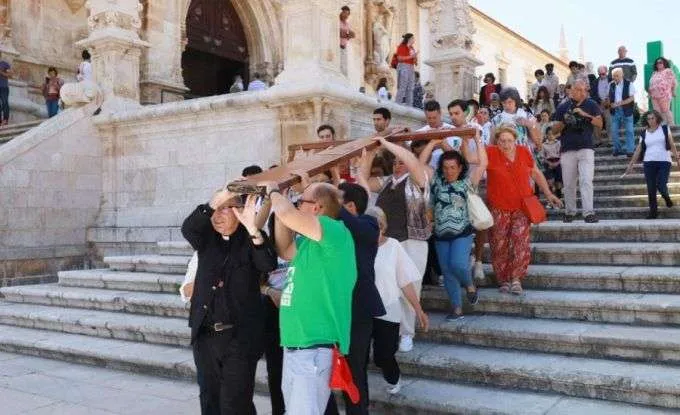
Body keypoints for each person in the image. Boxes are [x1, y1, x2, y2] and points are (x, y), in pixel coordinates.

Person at [265, 181, 357, 415]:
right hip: (298, 344)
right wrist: (280, 206)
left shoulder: (335, 231)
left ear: (316, 207)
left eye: (300, 201)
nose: (296, 205)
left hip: (314, 347)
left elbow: (288, 214)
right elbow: (284, 248)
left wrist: (275, 192)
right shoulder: (308, 242)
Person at [182, 190, 278, 415]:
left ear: (240, 210)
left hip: (240, 338)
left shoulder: (252, 237)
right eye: (215, 209)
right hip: (205, 336)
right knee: (209, 399)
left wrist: (253, 228)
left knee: (235, 403)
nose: (217, 215)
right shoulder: (206, 238)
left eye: (226, 208)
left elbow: (267, 264)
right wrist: (212, 203)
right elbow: (189, 228)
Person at [466, 126, 562, 295]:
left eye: (509, 140)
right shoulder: (490, 152)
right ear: (497, 141)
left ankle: (516, 279)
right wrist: (467, 139)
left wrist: (548, 193)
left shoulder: (524, 151)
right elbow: (468, 157)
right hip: (498, 208)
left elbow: (536, 172)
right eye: (502, 141)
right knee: (499, 244)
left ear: (515, 140)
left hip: (520, 207)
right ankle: (503, 279)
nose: (506, 144)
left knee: (520, 242)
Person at [358, 137, 431, 353]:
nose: (399, 165)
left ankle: (407, 333)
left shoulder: (419, 178)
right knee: (386, 289)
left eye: (402, 161)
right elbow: (361, 179)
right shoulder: (387, 182)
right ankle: (387, 332)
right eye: (395, 162)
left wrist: (385, 142)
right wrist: (369, 151)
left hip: (412, 241)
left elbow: (413, 162)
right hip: (387, 243)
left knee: (410, 287)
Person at [325, 182, 385, 415]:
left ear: (349, 206)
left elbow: (358, 227)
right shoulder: (331, 229)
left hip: (358, 312)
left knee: (355, 371)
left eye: (334, 205)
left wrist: (329, 201)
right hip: (331, 311)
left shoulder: (368, 224)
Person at [365, 206, 429, 394]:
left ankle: (394, 378)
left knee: (383, 356)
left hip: (388, 309)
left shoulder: (393, 246)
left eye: (377, 225)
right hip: (363, 310)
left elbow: (405, 282)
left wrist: (419, 310)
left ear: (383, 226)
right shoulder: (357, 246)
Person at [429, 134, 487, 320]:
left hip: (462, 232)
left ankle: (469, 285)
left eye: (453, 167)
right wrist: (432, 143)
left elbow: (483, 163)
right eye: (445, 167)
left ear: (460, 167)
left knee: (458, 264)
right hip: (440, 233)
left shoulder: (467, 183)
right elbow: (419, 166)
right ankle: (456, 308)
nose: (449, 171)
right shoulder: (436, 182)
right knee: (447, 272)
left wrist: (477, 140)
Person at [552, 79, 603, 223]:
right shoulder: (563, 106)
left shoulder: (591, 104)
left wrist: (584, 114)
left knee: (586, 180)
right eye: (578, 90)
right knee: (568, 183)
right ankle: (570, 212)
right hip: (568, 148)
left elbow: (600, 123)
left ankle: (588, 212)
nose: (582, 93)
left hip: (586, 147)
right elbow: (554, 130)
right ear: (571, 90)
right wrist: (564, 121)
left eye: (584, 90)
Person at [624, 110, 679, 219]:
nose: (650, 121)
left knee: (661, 185)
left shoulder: (664, 128)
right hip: (648, 162)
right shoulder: (644, 133)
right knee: (651, 187)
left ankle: (667, 198)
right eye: (648, 119)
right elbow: (638, 150)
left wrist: (677, 158)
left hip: (664, 161)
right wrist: (630, 165)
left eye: (652, 118)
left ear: (657, 118)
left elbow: (672, 144)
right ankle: (653, 212)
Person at [417, 100, 455, 169]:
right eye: (429, 118)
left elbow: (455, 156)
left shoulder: (452, 130)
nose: (432, 121)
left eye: (434, 117)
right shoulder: (420, 132)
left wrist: (440, 141)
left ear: (440, 113)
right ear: (425, 115)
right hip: (427, 172)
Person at [609, 67, 636, 157]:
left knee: (629, 131)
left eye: (617, 76)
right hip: (615, 111)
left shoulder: (629, 84)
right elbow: (609, 97)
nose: (615, 78)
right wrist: (610, 103)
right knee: (613, 131)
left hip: (626, 109)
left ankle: (630, 150)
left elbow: (632, 98)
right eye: (613, 76)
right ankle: (618, 149)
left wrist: (619, 103)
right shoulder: (611, 85)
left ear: (622, 75)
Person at [648, 57, 677, 126]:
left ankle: (671, 126)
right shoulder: (654, 73)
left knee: (665, 110)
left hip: (664, 94)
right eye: (657, 63)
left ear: (664, 63)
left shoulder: (668, 71)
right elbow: (651, 83)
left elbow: (673, 82)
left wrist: (673, 91)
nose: (659, 64)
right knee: (657, 112)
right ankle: (662, 126)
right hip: (654, 95)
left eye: (660, 62)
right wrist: (649, 93)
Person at [540, 127, 563, 202]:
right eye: (549, 134)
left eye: (553, 134)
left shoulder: (559, 143)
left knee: (558, 182)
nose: (551, 136)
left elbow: (562, 154)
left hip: (558, 162)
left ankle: (559, 198)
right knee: (550, 181)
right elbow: (542, 157)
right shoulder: (544, 145)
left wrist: (557, 162)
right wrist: (549, 162)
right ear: (546, 135)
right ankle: (551, 200)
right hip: (548, 162)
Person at [395, 33, 418, 106]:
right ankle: (397, 104)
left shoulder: (412, 48)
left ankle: (409, 105)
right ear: (409, 39)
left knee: (411, 87)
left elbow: (414, 60)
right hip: (403, 66)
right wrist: (411, 57)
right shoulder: (401, 46)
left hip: (411, 67)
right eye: (413, 38)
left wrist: (415, 58)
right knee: (402, 86)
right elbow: (399, 58)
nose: (414, 40)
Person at [593, 65, 612, 140]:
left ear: (606, 72)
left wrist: (608, 100)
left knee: (609, 121)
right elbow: (593, 94)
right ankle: (598, 140)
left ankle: (610, 139)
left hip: (608, 104)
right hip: (598, 104)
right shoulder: (595, 82)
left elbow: (614, 92)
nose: (601, 75)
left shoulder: (611, 80)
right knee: (596, 122)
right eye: (599, 74)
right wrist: (600, 101)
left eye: (603, 74)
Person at [339, 6, 355, 75]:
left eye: (347, 14)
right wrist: (347, 35)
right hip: (337, 46)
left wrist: (346, 35)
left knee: (344, 68)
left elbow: (353, 35)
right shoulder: (337, 21)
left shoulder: (347, 23)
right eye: (344, 13)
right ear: (341, 12)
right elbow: (338, 32)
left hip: (344, 47)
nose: (346, 15)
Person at [0, 58, 12, 125]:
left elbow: (10, 75)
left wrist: (1, 72)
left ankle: (5, 119)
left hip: (4, 87)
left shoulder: (5, 64)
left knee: (5, 103)